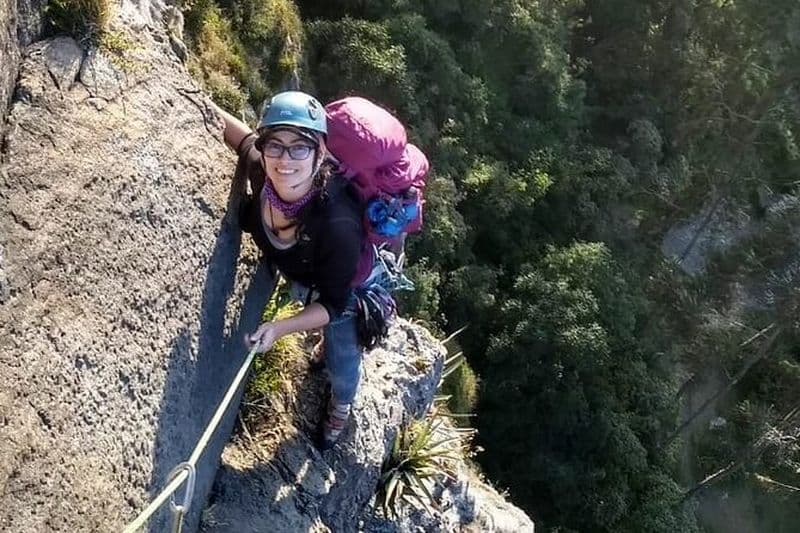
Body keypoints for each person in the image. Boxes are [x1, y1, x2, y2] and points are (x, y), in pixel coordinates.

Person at [213, 91, 366, 450]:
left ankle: (342, 404)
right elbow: (242, 138)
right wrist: (199, 102)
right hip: (301, 268)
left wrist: (281, 328)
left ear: (320, 152)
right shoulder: (263, 171)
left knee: (342, 354)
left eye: (300, 147)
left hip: (342, 286)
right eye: (276, 146)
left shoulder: (338, 225)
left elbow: (332, 304)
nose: (285, 160)